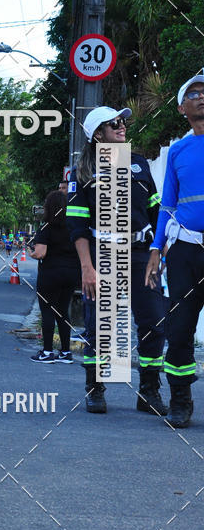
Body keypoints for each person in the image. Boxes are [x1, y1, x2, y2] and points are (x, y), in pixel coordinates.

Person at [67, 106, 166, 415]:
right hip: (102, 254)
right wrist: (87, 268)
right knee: (100, 326)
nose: (122, 127)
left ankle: (149, 390)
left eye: (123, 122)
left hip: (140, 255)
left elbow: (156, 211)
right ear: (99, 134)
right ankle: (95, 389)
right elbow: (77, 225)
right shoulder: (82, 172)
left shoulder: (138, 165)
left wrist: (158, 253)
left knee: (153, 323)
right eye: (114, 124)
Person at [145, 71, 204, 428]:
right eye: (194, 93)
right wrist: (156, 248)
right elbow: (167, 205)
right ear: (183, 108)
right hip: (184, 251)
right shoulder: (179, 150)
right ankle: (180, 399)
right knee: (179, 328)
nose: (202, 96)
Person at [29, 190, 80, 363]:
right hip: (72, 273)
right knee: (63, 311)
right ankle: (66, 352)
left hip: (50, 274)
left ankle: (47, 351)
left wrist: (31, 252)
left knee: (47, 311)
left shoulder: (46, 228)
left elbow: (40, 253)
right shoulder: (73, 227)